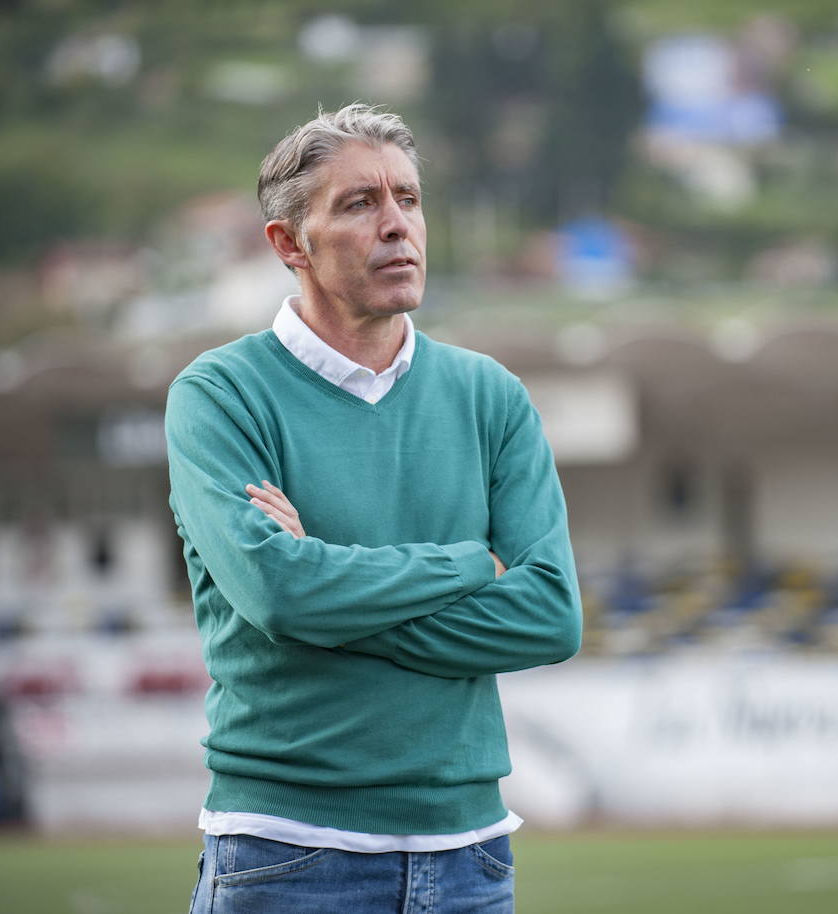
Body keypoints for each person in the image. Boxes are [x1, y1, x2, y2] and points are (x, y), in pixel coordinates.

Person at [165, 103, 582, 914]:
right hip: (284, 853)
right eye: (360, 204)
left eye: (409, 199)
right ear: (290, 244)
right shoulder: (218, 396)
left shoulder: (490, 396)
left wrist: (321, 591)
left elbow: (550, 616)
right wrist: (469, 566)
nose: (398, 225)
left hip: (471, 860)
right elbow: (278, 593)